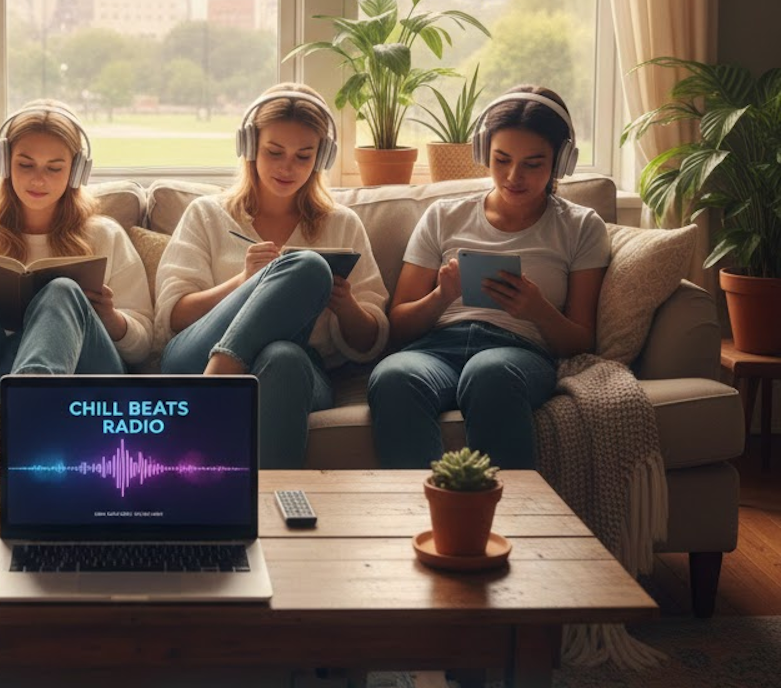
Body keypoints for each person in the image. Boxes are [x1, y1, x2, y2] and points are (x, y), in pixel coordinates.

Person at [367, 85, 611, 470]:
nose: (514, 176)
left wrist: (538, 310)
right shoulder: (444, 215)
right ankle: (422, 519)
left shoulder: (581, 227)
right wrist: (440, 297)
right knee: (394, 375)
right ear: (483, 152)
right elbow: (397, 326)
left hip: (517, 352)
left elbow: (582, 339)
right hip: (436, 348)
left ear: (561, 161)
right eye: (502, 159)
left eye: (533, 163)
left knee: (490, 373)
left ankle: (503, 519)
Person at [155, 83, 390, 468]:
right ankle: (221, 373)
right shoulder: (206, 214)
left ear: (321, 158)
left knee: (284, 353)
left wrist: (346, 306)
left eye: (304, 156)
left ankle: (267, 509)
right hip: (195, 362)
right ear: (250, 147)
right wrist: (244, 283)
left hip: (297, 367)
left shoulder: (342, 223)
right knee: (308, 265)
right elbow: (173, 317)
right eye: (274, 152)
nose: (287, 167)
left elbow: (371, 341)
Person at [0, 100, 154, 471]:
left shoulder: (105, 235)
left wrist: (111, 320)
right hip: (0, 372)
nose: (38, 180)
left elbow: (144, 348)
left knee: (62, 290)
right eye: (25, 165)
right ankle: (24, 415)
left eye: (54, 168)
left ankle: (12, 422)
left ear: (77, 171)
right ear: (3, 163)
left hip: (89, 371)